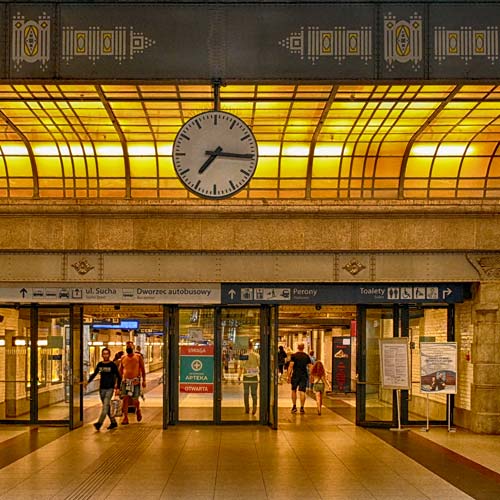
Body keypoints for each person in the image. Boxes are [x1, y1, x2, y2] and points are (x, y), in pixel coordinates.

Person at [85, 347, 121, 431]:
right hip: (102, 389)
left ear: (109, 355)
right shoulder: (100, 364)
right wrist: (88, 382)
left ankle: (99, 423)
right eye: (104, 354)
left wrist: (118, 387)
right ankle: (113, 422)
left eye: (107, 354)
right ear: (102, 355)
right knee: (107, 406)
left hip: (110, 388)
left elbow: (119, 376)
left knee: (105, 406)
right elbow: (94, 374)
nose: (105, 355)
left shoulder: (112, 365)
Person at [119, 342, 146, 424]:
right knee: (125, 399)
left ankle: (138, 410)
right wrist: (119, 382)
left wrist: (144, 380)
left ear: (133, 347)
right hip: (125, 382)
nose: (128, 348)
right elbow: (120, 370)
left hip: (135, 381)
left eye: (130, 346)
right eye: (127, 346)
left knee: (135, 399)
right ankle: (125, 417)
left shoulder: (138, 357)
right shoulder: (123, 358)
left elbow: (142, 369)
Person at [287, 343, 312, 414]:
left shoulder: (294, 356)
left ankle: (294, 406)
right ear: (303, 348)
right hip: (304, 375)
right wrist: (311, 376)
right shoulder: (306, 356)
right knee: (302, 391)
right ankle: (302, 407)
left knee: (294, 390)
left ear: (297, 347)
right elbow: (310, 367)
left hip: (295, 375)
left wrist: (288, 376)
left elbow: (291, 366)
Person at [238, 341, 260, 415]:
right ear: (252, 347)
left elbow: (240, 368)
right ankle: (254, 407)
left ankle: (247, 408)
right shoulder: (257, 355)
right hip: (254, 377)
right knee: (254, 393)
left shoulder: (243, 356)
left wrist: (239, 376)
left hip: (246, 377)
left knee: (246, 393)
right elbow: (260, 366)